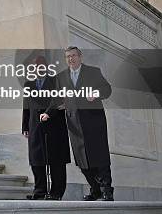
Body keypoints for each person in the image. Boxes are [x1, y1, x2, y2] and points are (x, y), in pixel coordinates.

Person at [40, 46, 113, 201]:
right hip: (74, 124)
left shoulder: (93, 72)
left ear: (80, 57)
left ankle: (107, 190)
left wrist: (96, 93)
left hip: (94, 121)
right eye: (67, 56)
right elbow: (57, 99)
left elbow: (107, 89)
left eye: (73, 55)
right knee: (82, 160)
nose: (70, 59)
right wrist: (48, 112)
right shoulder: (61, 77)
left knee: (99, 156)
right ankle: (95, 189)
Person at [22, 55, 70, 200]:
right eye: (35, 66)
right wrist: (25, 126)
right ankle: (40, 191)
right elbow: (26, 106)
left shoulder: (56, 81)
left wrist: (48, 113)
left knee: (56, 161)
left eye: (41, 65)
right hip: (35, 126)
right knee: (37, 160)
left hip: (54, 125)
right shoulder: (28, 84)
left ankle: (56, 193)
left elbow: (59, 99)